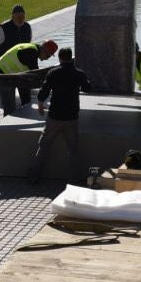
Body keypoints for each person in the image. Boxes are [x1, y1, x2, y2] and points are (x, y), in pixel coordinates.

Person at [28, 47, 91, 182]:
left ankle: (34, 176)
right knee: (73, 150)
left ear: (60, 58)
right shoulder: (79, 73)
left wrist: (40, 106)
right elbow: (87, 88)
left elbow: (43, 92)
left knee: (44, 146)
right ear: (71, 57)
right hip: (71, 116)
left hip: (55, 115)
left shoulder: (53, 73)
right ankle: (75, 180)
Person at [0, 39, 57, 114]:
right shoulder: (30, 52)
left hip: (14, 77)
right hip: (1, 76)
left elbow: (33, 77)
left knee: (26, 101)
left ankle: (25, 114)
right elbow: (36, 75)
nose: (47, 59)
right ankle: (10, 123)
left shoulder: (33, 51)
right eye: (48, 56)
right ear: (44, 50)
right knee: (10, 108)